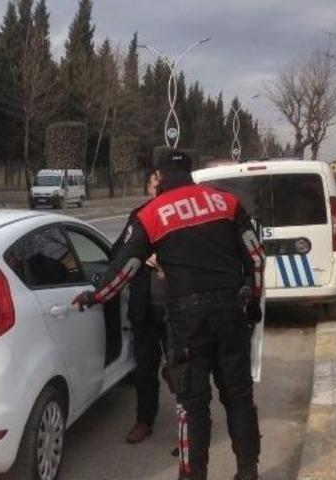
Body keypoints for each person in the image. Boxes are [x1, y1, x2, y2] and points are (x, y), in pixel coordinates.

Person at [72, 151, 265, 480]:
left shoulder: (151, 214)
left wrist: (95, 296)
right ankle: (248, 472)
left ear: (159, 177)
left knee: (192, 405)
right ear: (190, 172)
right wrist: (253, 301)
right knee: (239, 398)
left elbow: (124, 268)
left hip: (188, 321)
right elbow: (256, 258)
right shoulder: (227, 202)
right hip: (231, 312)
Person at [114, 170, 168, 444]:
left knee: (183, 371)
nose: (159, 190)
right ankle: (144, 420)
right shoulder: (139, 215)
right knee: (145, 369)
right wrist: (142, 256)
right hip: (144, 307)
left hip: (176, 308)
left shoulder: (180, 214)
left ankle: (190, 430)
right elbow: (117, 253)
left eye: (163, 184)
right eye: (155, 185)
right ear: (148, 188)